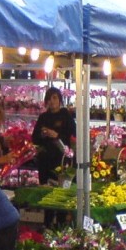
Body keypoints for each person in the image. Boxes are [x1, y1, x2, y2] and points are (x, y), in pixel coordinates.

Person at [31, 87, 76, 227]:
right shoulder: (43, 117)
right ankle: (47, 222)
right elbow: (34, 138)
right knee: (46, 192)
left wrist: (57, 135)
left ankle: (62, 223)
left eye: (55, 98)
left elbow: (73, 137)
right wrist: (42, 135)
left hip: (61, 161)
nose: (52, 102)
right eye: (49, 99)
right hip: (46, 161)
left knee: (61, 193)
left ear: (60, 100)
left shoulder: (66, 116)